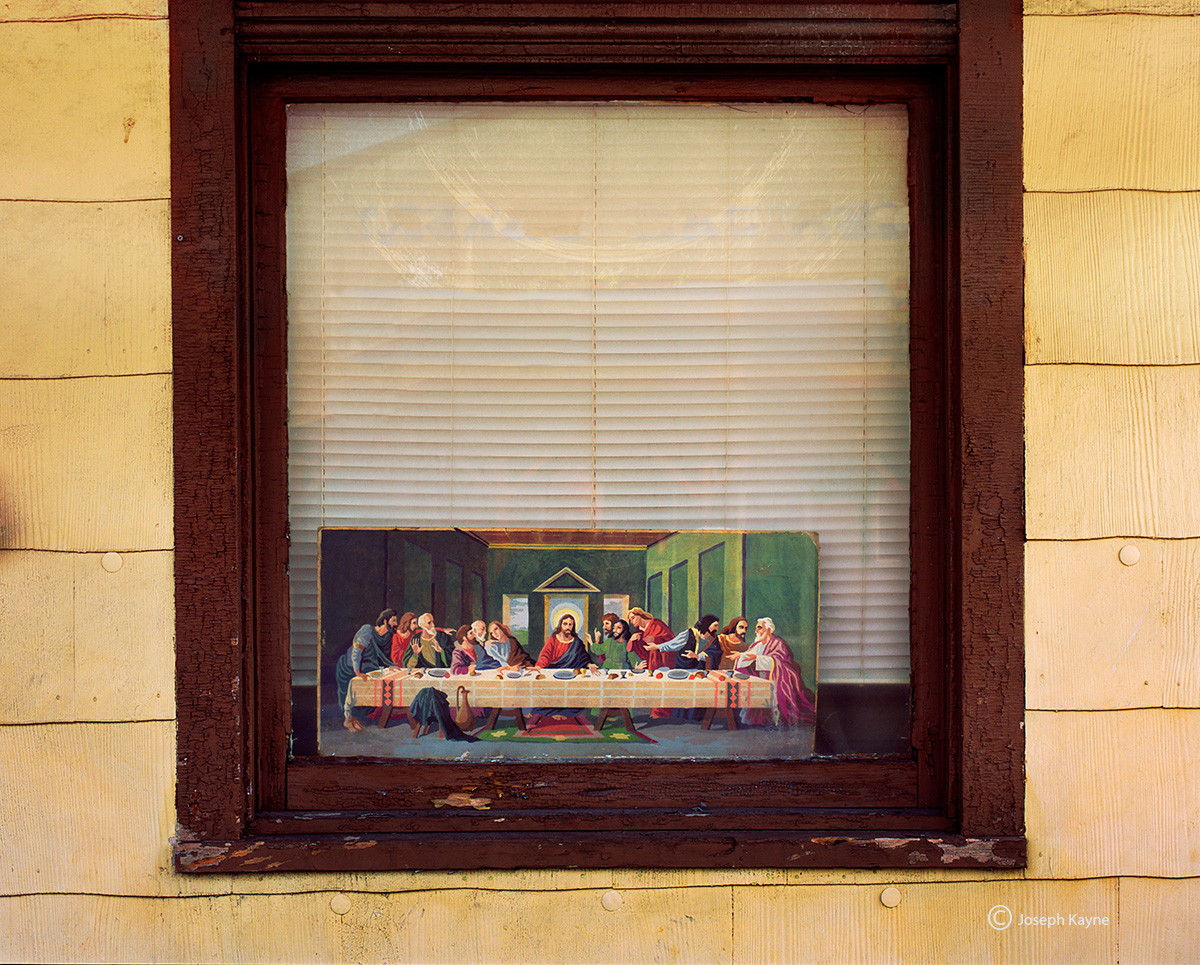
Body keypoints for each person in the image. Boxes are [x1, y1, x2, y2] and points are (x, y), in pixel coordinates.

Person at [734, 617, 817, 727]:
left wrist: (756, 658)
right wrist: (740, 656)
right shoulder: (758, 644)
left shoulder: (778, 643)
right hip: (761, 677)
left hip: (778, 676)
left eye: (759, 628)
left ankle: (775, 720)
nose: (756, 631)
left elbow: (779, 661)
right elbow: (748, 657)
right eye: (756, 628)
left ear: (768, 629)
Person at [335, 609, 399, 732]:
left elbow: (382, 657)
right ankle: (348, 721)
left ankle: (355, 718)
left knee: (371, 694)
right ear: (385, 621)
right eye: (393, 620)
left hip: (369, 669)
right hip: (350, 668)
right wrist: (357, 672)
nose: (395, 624)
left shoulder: (387, 637)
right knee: (352, 694)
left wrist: (389, 666)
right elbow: (356, 652)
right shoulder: (367, 630)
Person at [627, 607, 674, 718]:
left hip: (663, 660)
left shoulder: (656, 624)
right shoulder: (639, 630)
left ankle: (663, 712)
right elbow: (630, 649)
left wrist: (655, 640)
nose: (632, 622)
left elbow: (671, 640)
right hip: (651, 660)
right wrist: (632, 640)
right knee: (654, 685)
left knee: (663, 684)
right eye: (630, 620)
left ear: (639, 615)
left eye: (633, 618)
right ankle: (656, 711)